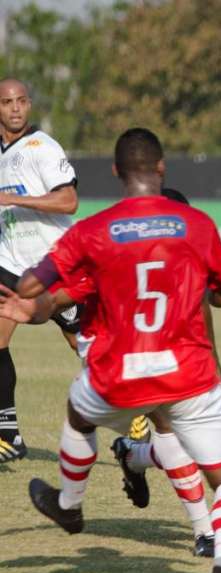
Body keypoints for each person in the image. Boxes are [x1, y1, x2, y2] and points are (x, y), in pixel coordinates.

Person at [18, 128, 221, 573]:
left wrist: (24, 297)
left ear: (115, 172)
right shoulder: (195, 225)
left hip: (117, 372)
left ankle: (70, 504)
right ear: (161, 168)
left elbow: (41, 285)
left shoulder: (92, 230)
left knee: (78, 411)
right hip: (188, 372)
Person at [0, 186, 220, 559]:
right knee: (167, 429)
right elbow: (64, 294)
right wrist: (35, 307)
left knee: (174, 432)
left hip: (162, 353)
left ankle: (131, 461)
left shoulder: (182, 259)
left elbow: (205, 308)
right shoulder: (116, 254)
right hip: (109, 353)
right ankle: (202, 529)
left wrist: (215, 364)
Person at [0, 77, 80, 461]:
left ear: (29, 105)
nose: (15, 108)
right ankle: (8, 434)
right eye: (6, 102)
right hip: (10, 263)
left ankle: (136, 418)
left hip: (55, 265)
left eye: (21, 101)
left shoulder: (42, 147)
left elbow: (69, 201)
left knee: (87, 349)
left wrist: (10, 198)